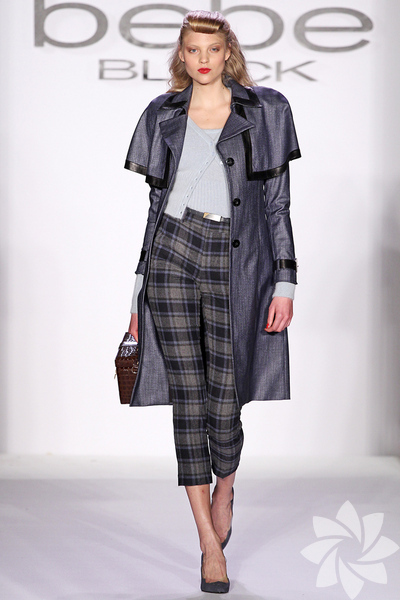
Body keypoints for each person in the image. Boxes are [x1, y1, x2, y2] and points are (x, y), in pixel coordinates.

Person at [124, 10, 300, 593]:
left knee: (224, 405)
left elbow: (277, 204)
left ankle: (226, 485)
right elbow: (154, 209)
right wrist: (137, 290)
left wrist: (285, 280)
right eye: (193, 49)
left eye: (213, 49)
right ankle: (206, 541)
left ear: (229, 54)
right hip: (172, 256)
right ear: (181, 55)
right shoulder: (162, 115)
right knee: (188, 403)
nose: (203, 59)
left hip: (235, 260)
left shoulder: (266, 110)